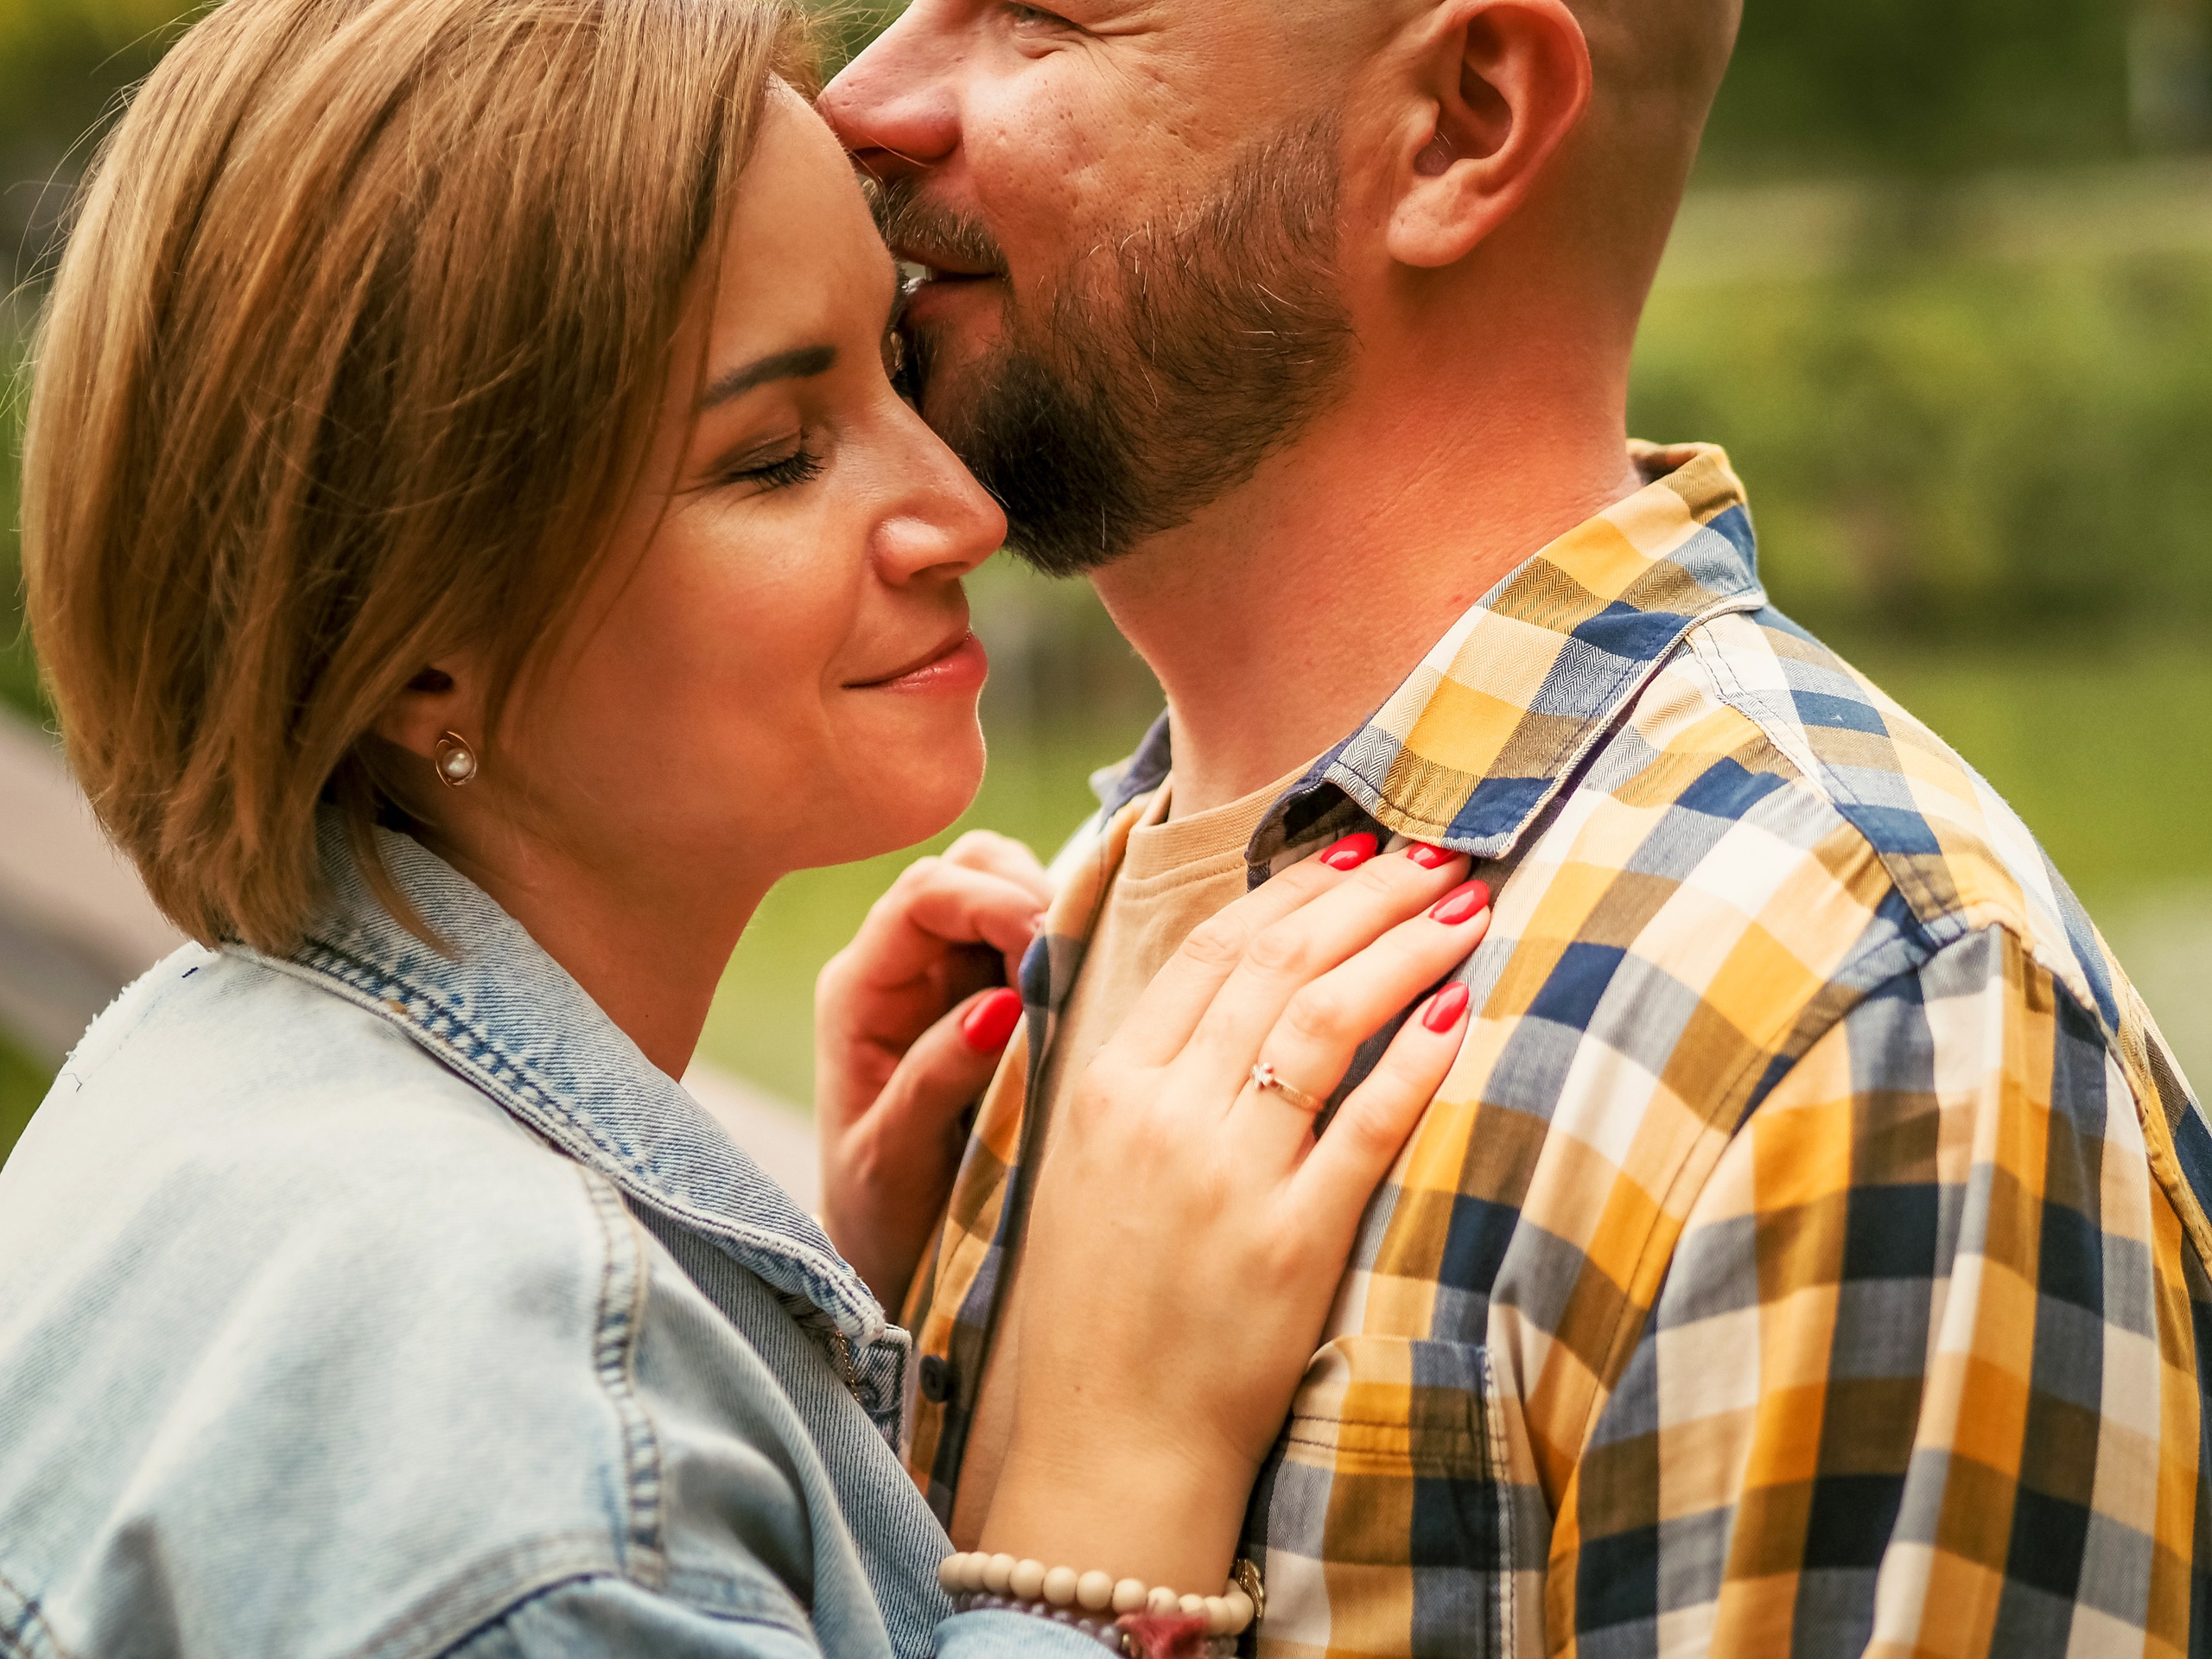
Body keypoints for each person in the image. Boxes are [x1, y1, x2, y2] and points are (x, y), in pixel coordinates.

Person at [0, 0, 1506, 1653]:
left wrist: (796, 1310)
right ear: (420, 638)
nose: (961, 510)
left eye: (898, 364)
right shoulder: (514, 1408)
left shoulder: (222, 1074)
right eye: (778, 456)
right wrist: (1113, 1458)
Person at [819, 1, 2212, 1653]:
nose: (864, 99)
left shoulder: (1866, 1020)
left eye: (1042, 15)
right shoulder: (1070, 943)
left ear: (1464, 120)